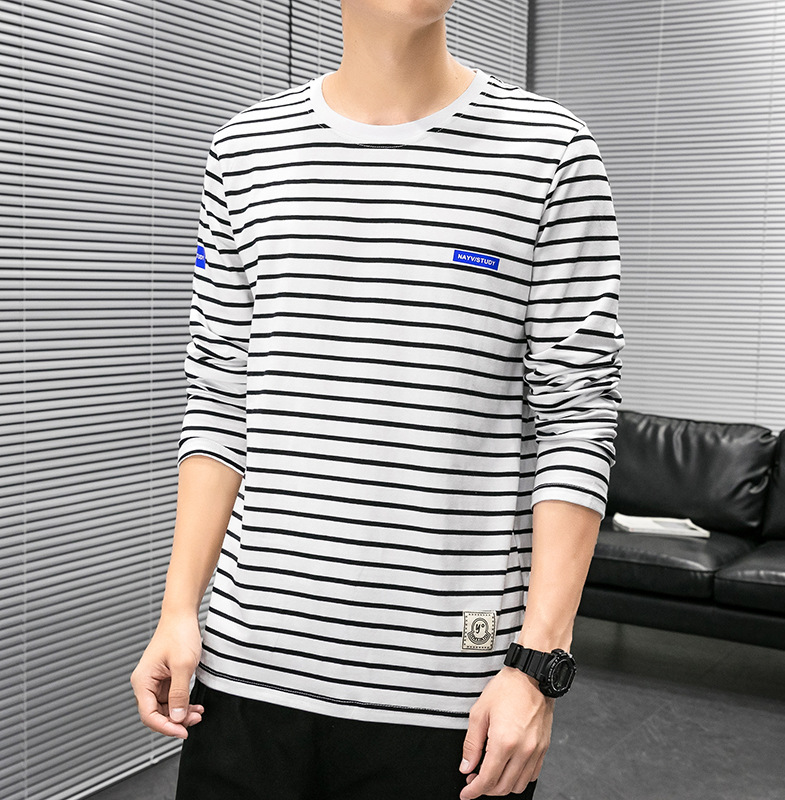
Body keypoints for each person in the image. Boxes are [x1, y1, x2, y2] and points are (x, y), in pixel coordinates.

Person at [129, 1, 625, 798]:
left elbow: (577, 419)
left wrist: (539, 663)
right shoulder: (244, 153)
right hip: (244, 679)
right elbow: (220, 400)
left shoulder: (550, 153)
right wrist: (177, 609)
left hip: (451, 706)